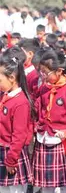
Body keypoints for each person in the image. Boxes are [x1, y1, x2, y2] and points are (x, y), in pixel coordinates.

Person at [32, 50, 66, 192]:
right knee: (46, 184)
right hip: (44, 138)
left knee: (65, 183)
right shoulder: (44, 88)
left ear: (59, 71)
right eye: (41, 72)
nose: (43, 76)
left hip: (62, 141)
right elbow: (37, 109)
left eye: (46, 73)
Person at [0, 51, 35, 193]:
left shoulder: (20, 103)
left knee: (15, 190)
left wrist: (11, 159)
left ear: (12, 78)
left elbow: (19, 135)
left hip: (12, 153)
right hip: (3, 150)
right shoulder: (5, 97)